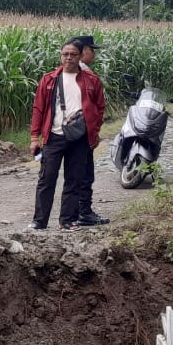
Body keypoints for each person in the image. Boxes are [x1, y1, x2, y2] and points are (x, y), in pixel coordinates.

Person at [29, 39, 106, 231]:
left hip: (79, 138)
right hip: (54, 135)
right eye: (65, 54)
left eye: (73, 54)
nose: (68, 58)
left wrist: (94, 133)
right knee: (47, 179)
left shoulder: (91, 81)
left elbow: (99, 108)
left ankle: (68, 220)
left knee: (74, 179)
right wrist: (34, 137)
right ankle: (39, 221)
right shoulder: (49, 80)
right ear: (60, 56)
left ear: (81, 56)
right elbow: (39, 109)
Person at [72, 34, 109, 226]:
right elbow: (93, 108)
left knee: (79, 172)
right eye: (91, 50)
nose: (93, 54)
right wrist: (93, 133)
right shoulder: (84, 76)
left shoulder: (68, 73)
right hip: (81, 133)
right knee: (85, 173)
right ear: (83, 51)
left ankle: (77, 211)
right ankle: (83, 212)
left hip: (73, 132)